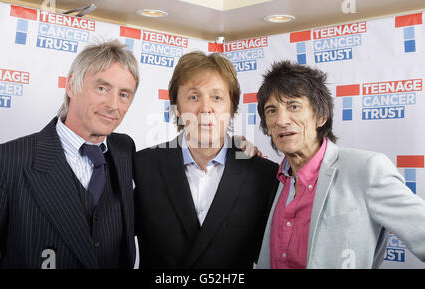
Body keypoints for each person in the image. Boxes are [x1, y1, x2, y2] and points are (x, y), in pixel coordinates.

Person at [0, 40, 138, 269]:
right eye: (102, 88)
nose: (113, 104)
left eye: (124, 94)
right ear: (72, 85)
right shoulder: (4, 161)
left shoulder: (125, 150)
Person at [255, 60, 425, 269]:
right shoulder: (273, 180)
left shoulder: (367, 170)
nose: (281, 120)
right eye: (271, 110)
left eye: (294, 106)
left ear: (321, 116)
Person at [134, 51, 279, 269]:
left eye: (217, 97)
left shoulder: (264, 176)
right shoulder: (141, 166)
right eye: (193, 97)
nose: (205, 108)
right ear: (177, 107)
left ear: (232, 107)